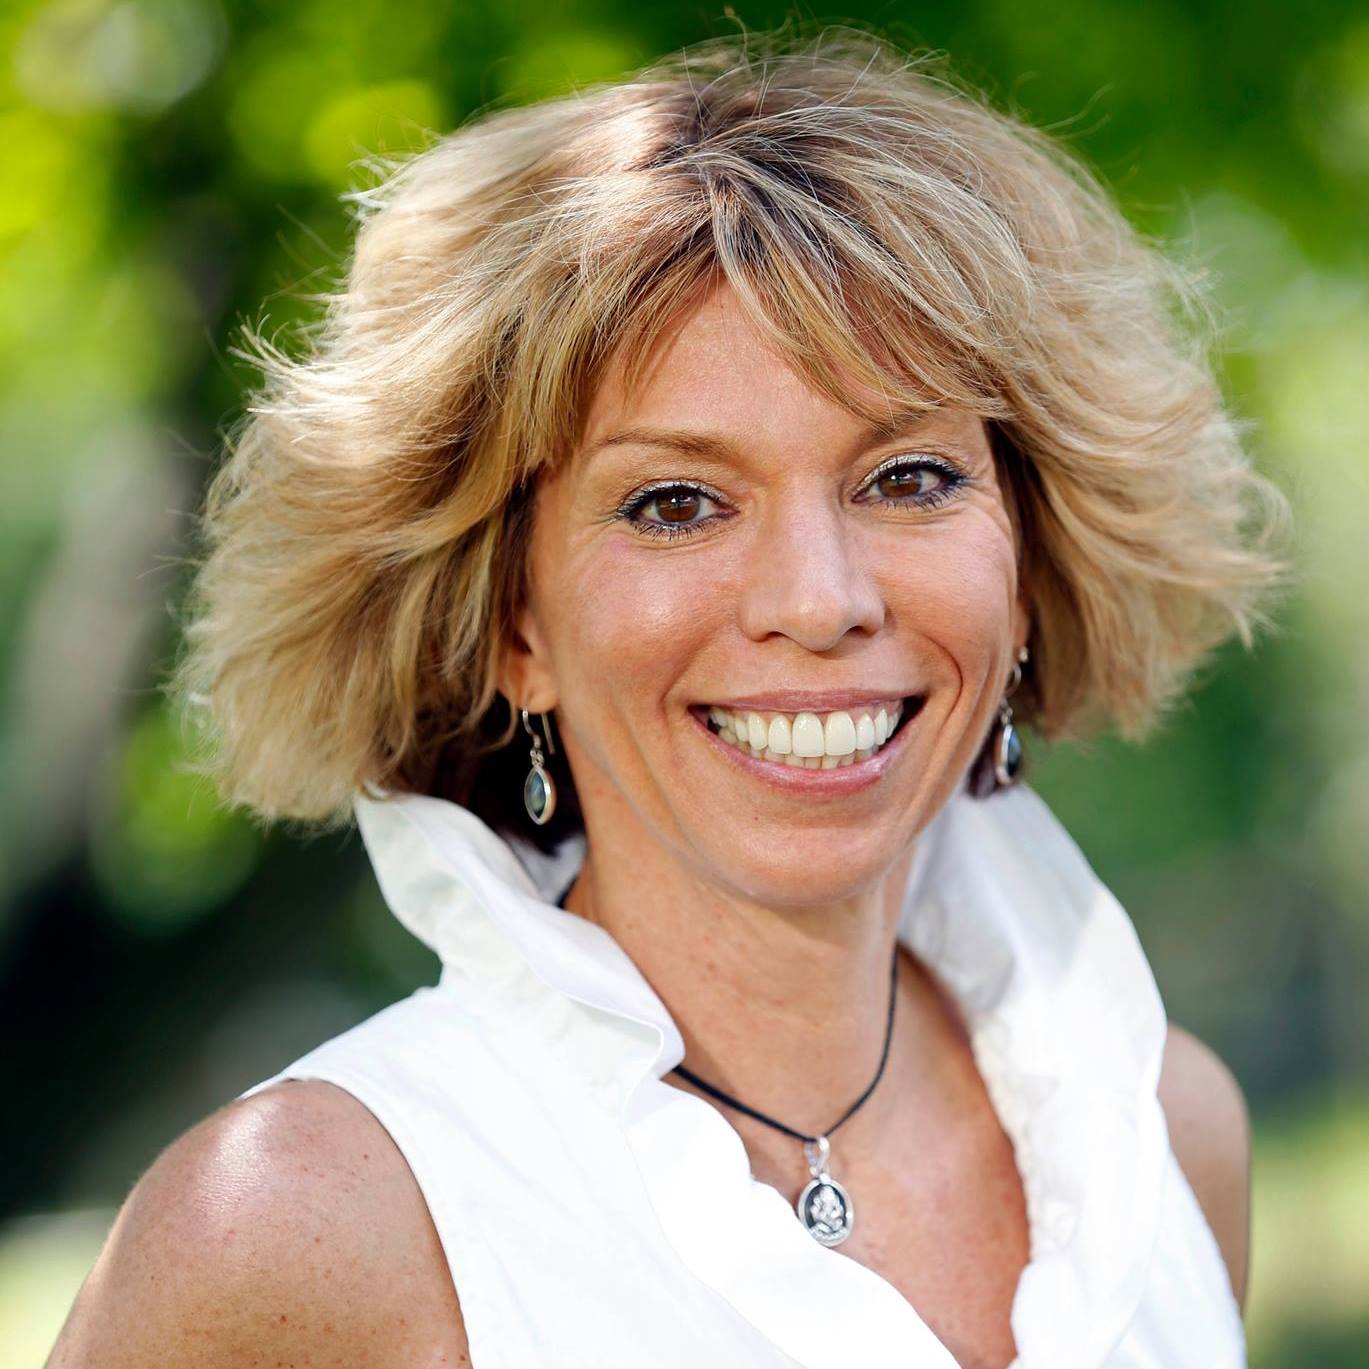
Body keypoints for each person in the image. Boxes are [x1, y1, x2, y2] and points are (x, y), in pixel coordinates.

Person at [47, 27, 1286, 1369]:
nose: (819, 600)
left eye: (908, 477)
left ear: (1030, 561)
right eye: (676, 502)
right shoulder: (293, 1226)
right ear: (511, 627)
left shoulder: (1170, 1135)